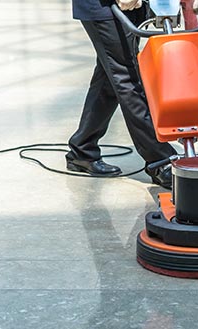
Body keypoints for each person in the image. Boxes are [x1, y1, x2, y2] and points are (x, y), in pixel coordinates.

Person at [68, 0, 177, 188]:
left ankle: (82, 149)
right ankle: (160, 160)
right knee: (127, 79)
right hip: (105, 7)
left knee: (110, 77)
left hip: (131, 6)